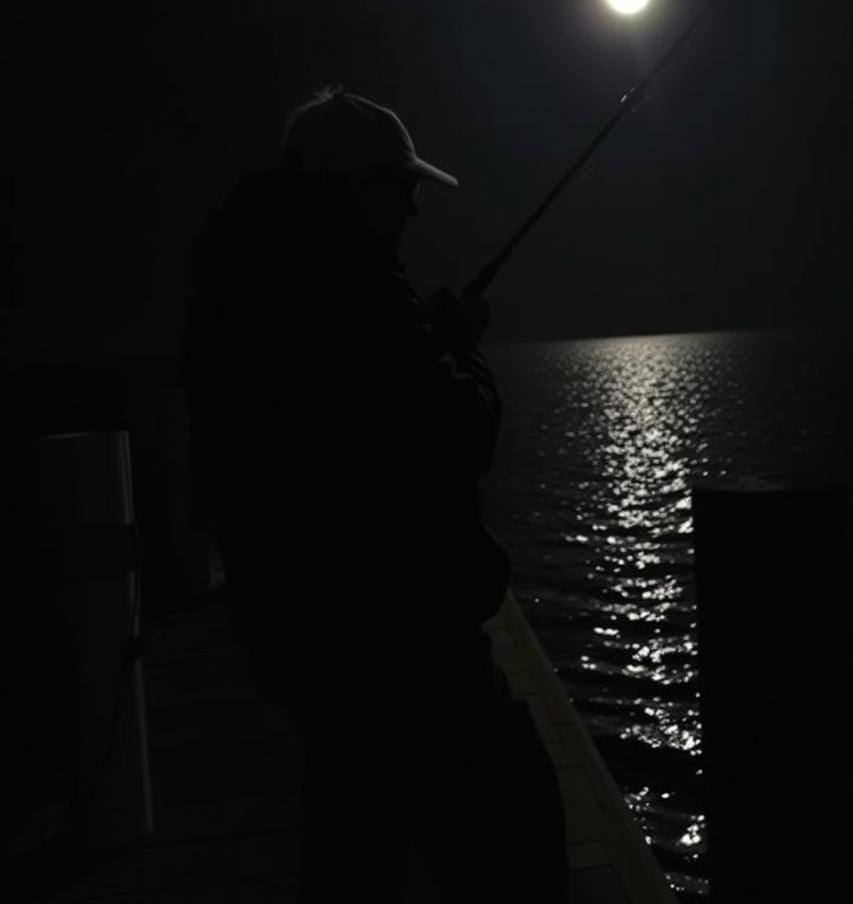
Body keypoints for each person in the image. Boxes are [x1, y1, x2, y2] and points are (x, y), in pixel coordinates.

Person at [179, 86, 567, 902]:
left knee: (355, 854)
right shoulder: (351, 288)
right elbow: (454, 431)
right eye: (402, 189)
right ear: (353, 187)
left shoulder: (246, 281)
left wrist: (418, 340)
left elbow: (347, 407)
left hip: (307, 639)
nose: (414, 212)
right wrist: (462, 352)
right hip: (403, 646)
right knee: (515, 841)